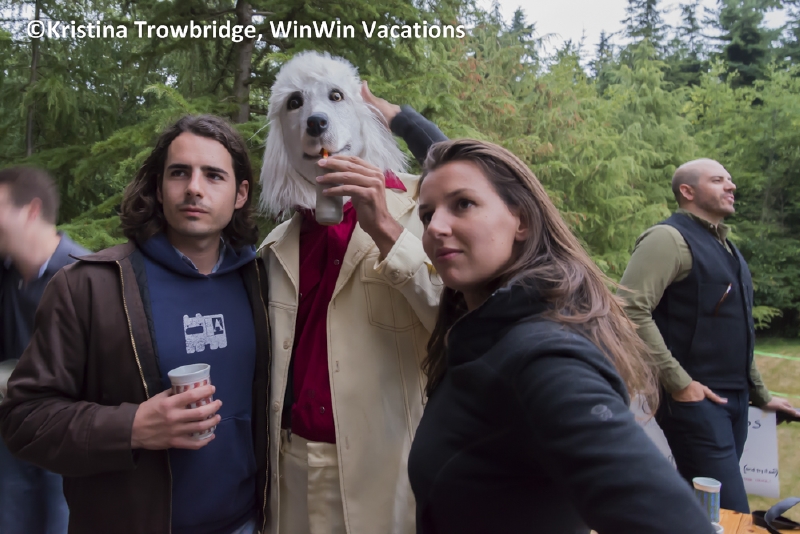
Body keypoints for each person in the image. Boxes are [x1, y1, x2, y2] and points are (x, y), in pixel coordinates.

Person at [406, 138, 715, 534]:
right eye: (427, 214)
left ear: (522, 221)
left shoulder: (541, 358)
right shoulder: (480, 336)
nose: (435, 227)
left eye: (463, 204)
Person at [0, 115, 270, 534]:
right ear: (159, 188)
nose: (194, 187)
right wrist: (133, 427)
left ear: (241, 194)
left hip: (245, 524)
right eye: (179, 172)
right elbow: (24, 419)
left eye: (214, 175)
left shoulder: (261, 283)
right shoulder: (89, 286)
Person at [257, 61, 447, 534]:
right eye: (295, 104)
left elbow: (461, 321)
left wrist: (385, 229)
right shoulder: (274, 248)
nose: (314, 117)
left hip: (388, 473)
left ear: (364, 117)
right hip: (291, 471)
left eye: (335, 97)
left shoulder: (423, 213)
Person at [618, 158, 798, 513]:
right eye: (718, 180)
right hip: (694, 402)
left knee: (701, 512)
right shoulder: (667, 239)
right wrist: (680, 383)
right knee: (730, 512)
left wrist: (760, 395)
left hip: (734, 401)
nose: (731, 186)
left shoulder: (728, 248)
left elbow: (737, 332)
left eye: (730, 179)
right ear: (687, 191)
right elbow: (629, 310)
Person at [0, 166, 86, 534]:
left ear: (31, 211)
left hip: (65, 450)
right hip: (10, 444)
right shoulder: (6, 273)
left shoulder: (85, 277)